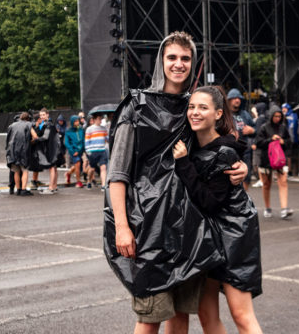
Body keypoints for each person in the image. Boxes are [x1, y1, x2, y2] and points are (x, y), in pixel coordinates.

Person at [104, 31, 247, 334]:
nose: (179, 64)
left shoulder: (193, 107)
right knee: (149, 317)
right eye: (172, 57)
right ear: (161, 61)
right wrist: (121, 226)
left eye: (185, 58)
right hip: (147, 229)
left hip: (187, 231)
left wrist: (240, 165)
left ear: (193, 63)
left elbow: (217, 147)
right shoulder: (137, 106)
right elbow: (118, 173)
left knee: (180, 316)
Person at [173, 86, 263, 334]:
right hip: (208, 239)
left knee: (241, 315)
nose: (195, 112)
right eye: (192, 107)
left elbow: (209, 201)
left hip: (234, 237)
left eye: (203, 107)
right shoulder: (194, 145)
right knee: (206, 316)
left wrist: (183, 163)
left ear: (218, 114)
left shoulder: (223, 152)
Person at [255, 104, 292, 219]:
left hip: (280, 159)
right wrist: (270, 140)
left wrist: (282, 141)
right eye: (275, 116)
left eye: (279, 116)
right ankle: (267, 207)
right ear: (271, 116)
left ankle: (284, 208)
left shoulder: (283, 127)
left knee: (283, 182)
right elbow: (258, 142)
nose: (277, 118)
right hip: (266, 159)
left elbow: (289, 142)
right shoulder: (264, 127)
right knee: (266, 184)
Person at [227, 88, 256, 190]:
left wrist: (252, 130)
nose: (237, 100)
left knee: (246, 176)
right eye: (234, 98)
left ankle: (244, 197)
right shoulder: (224, 114)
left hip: (245, 151)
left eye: (239, 98)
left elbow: (255, 129)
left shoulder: (245, 115)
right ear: (229, 100)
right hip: (229, 150)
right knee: (230, 176)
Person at [33, 108, 61, 194]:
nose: (42, 117)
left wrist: (36, 140)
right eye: (40, 115)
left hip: (51, 148)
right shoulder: (50, 124)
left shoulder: (48, 124)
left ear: (47, 114)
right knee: (54, 168)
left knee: (52, 167)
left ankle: (51, 188)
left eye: (43, 115)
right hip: (54, 148)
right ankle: (54, 186)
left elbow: (45, 137)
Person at [5, 112, 34, 196]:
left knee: (15, 171)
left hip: (12, 151)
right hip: (23, 152)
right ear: (27, 119)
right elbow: (35, 136)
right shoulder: (28, 124)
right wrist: (30, 142)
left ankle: (17, 189)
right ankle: (23, 190)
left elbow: (8, 139)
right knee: (25, 170)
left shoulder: (11, 126)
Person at [85, 113, 109, 191]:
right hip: (93, 151)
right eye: (99, 118)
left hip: (102, 151)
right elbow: (87, 141)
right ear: (94, 119)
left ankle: (103, 185)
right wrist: (88, 152)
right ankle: (89, 181)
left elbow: (107, 139)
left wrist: (109, 133)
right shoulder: (89, 129)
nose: (100, 120)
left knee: (103, 167)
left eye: (101, 119)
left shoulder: (104, 128)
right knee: (92, 169)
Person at [64, 115, 85, 188]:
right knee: (78, 164)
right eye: (75, 121)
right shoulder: (68, 131)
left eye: (78, 121)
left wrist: (82, 149)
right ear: (72, 122)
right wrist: (73, 151)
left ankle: (68, 173)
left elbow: (83, 140)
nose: (77, 122)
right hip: (74, 151)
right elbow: (66, 143)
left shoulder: (81, 130)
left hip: (80, 151)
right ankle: (78, 182)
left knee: (77, 165)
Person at [251, 101, 267, 188]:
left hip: (258, 144)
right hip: (264, 143)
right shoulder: (266, 117)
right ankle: (263, 179)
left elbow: (257, 132)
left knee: (257, 163)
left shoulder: (260, 119)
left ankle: (261, 179)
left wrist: (254, 143)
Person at [282, 103, 299, 175]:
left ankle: (289, 170)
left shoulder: (292, 116)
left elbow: (292, 128)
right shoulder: (282, 116)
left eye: (284, 108)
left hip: (290, 139)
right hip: (283, 138)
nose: (283, 110)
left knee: (289, 156)